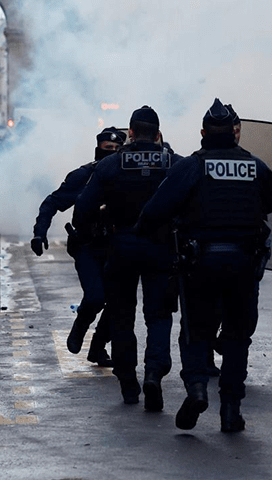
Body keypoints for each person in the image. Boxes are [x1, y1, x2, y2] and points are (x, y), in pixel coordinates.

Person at [136, 99, 272, 432]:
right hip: (245, 266)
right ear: (236, 132)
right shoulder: (255, 166)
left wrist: (144, 233)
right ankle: (230, 410)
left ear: (203, 133)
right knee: (236, 337)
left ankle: (198, 388)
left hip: (200, 264)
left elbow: (155, 210)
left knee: (196, 333)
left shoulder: (191, 166)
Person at [73, 106, 180, 411]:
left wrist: (91, 232)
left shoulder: (110, 165)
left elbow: (83, 210)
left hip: (120, 247)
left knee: (122, 317)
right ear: (158, 135)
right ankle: (155, 374)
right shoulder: (174, 163)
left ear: (130, 134)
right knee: (159, 316)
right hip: (160, 248)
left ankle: (128, 383)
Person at [31, 126, 127, 367]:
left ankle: (98, 347)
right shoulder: (84, 175)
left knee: (118, 302)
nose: (113, 153)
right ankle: (81, 325)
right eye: (108, 149)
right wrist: (39, 232)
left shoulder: (127, 176)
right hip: (87, 246)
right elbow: (52, 202)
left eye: (117, 149)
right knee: (96, 297)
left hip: (116, 247)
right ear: (98, 150)